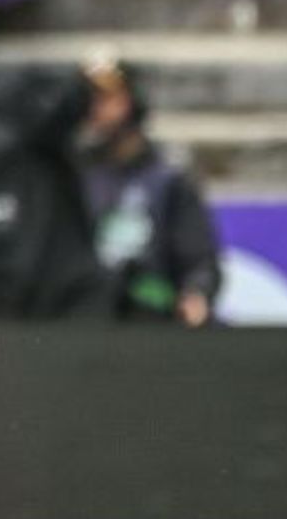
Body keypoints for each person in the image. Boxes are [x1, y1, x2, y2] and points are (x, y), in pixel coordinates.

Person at [77, 57, 220, 327]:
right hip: (90, 320)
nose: (97, 110)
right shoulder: (76, 173)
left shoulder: (169, 177)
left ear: (133, 101)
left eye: (108, 99)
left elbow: (200, 261)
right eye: (91, 99)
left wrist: (196, 294)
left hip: (152, 317)